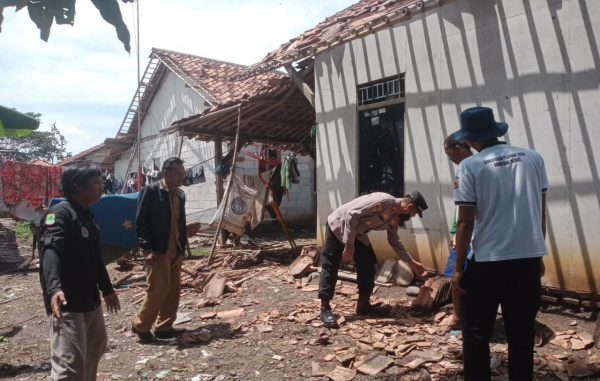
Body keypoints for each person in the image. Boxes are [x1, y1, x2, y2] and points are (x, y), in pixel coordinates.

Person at [450, 107, 547, 380]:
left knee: (477, 332)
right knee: (522, 332)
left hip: (488, 262)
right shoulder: (534, 158)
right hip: (526, 261)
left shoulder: (469, 166)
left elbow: (466, 222)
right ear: (495, 131)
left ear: (470, 140)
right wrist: (538, 254)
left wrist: (458, 269)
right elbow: (540, 211)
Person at [39, 163, 120, 380]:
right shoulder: (59, 215)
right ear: (78, 186)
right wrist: (54, 288)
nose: (102, 187)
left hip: (89, 299)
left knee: (95, 348)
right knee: (69, 365)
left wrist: (107, 289)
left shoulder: (87, 216)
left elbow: (96, 258)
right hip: (66, 302)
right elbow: (50, 252)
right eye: (96, 183)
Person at [319, 191, 429, 328]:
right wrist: (349, 244)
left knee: (368, 262)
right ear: (409, 206)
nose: (412, 216)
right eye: (414, 213)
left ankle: (363, 305)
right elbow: (350, 214)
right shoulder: (383, 201)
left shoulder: (394, 217)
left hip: (358, 233)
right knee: (331, 265)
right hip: (339, 225)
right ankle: (325, 309)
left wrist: (412, 263)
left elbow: (394, 241)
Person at [132, 157, 201, 343]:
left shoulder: (179, 194)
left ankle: (164, 327)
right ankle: (141, 326)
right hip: (158, 250)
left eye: (183, 173)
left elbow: (175, 222)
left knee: (173, 290)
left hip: (176, 248)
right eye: (178, 173)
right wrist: (146, 249)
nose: (182, 177)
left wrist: (187, 229)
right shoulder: (151, 191)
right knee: (157, 289)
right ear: (165, 173)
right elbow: (141, 222)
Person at [443, 136, 473, 330]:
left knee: (462, 277)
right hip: (463, 233)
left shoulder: (471, 167)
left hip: (477, 235)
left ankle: (465, 318)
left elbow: (467, 215)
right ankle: (456, 316)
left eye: (449, 153)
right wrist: (455, 231)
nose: (449, 158)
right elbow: (460, 209)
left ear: (458, 148)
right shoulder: (463, 170)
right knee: (455, 277)